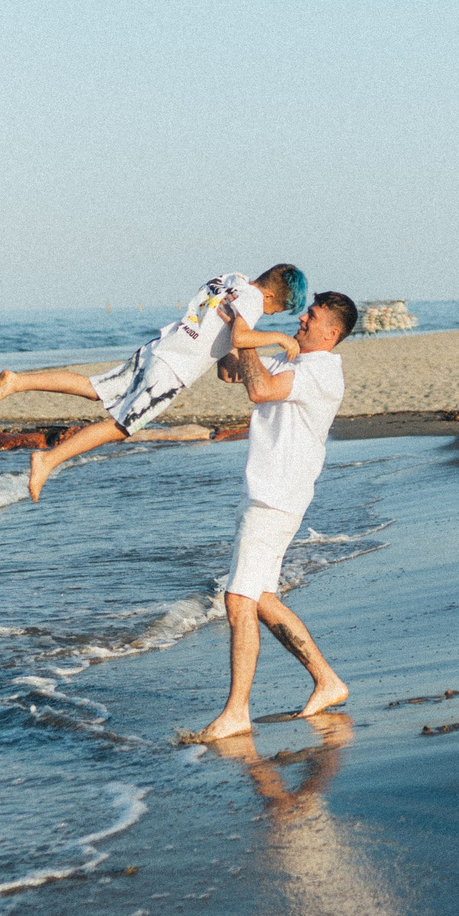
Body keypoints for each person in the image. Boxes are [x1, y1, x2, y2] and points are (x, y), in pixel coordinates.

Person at [178, 290, 361, 743]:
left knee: (237, 600)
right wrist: (237, 326)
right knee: (259, 597)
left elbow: (258, 389)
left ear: (331, 332)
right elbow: (232, 373)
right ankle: (327, 681)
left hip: (276, 497)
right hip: (268, 494)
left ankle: (237, 712)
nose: (302, 319)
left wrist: (267, 339)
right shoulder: (297, 363)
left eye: (311, 316)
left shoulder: (321, 371)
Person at [0, 265, 308, 503]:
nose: (269, 314)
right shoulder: (252, 301)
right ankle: (48, 460)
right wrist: (280, 339)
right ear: (269, 296)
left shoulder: (230, 279)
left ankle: (17, 381)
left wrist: (229, 360)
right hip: (172, 371)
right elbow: (239, 335)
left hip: (158, 348)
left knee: (95, 387)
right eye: (274, 310)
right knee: (122, 427)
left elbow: (222, 337)